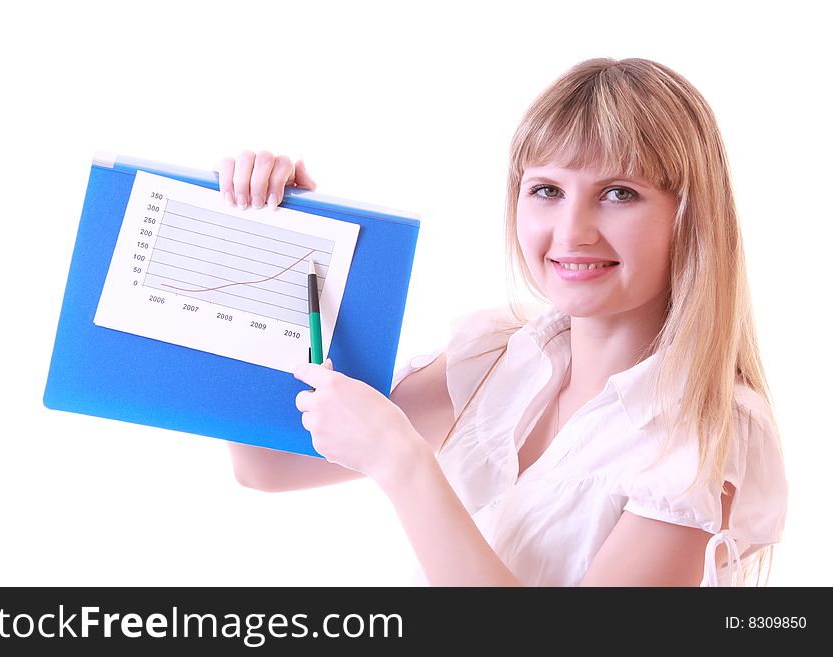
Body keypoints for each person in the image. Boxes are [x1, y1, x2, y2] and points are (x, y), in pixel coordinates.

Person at [220, 57, 788, 586]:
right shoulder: (499, 358)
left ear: (690, 217)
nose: (571, 232)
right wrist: (275, 237)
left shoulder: (711, 430)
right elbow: (266, 466)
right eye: (547, 190)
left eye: (619, 193)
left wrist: (404, 462)